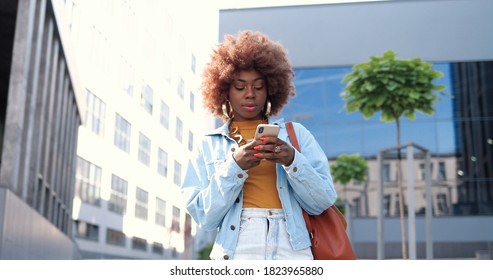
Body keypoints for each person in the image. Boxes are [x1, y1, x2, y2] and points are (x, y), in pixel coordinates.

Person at [181, 30, 337, 260]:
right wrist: (234, 167)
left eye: (258, 86)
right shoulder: (208, 145)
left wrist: (291, 160)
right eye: (240, 86)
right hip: (237, 248)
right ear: (224, 91)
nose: (250, 94)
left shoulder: (297, 135)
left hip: (292, 247)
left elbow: (322, 202)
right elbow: (204, 217)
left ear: (271, 88)